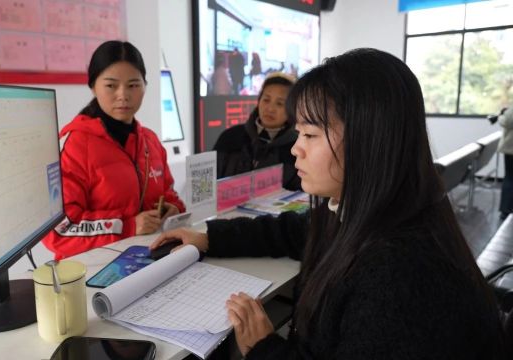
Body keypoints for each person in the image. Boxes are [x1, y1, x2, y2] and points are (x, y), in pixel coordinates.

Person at [151, 48, 509, 359]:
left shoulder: (397, 272)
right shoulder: (376, 208)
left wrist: (265, 348)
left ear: (368, 140)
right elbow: (296, 230)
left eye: (309, 134)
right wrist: (207, 237)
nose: (295, 148)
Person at [43, 40, 185, 260]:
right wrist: (127, 226)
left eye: (133, 85)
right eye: (111, 85)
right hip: (92, 273)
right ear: (93, 86)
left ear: (145, 86)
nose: (123, 95)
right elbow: (58, 230)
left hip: (149, 262)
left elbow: (168, 192)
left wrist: (173, 208)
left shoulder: (150, 141)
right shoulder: (74, 145)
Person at [213, 72, 301, 190]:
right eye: (266, 100)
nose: (270, 108)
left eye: (280, 103)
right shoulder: (230, 137)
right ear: (259, 101)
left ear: (292, 109)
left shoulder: (297, 148)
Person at [494, 106, 513, 220]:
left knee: (510, 178)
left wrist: (501, 115)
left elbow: (508, 122)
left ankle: (506, 210)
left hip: (511, 150)